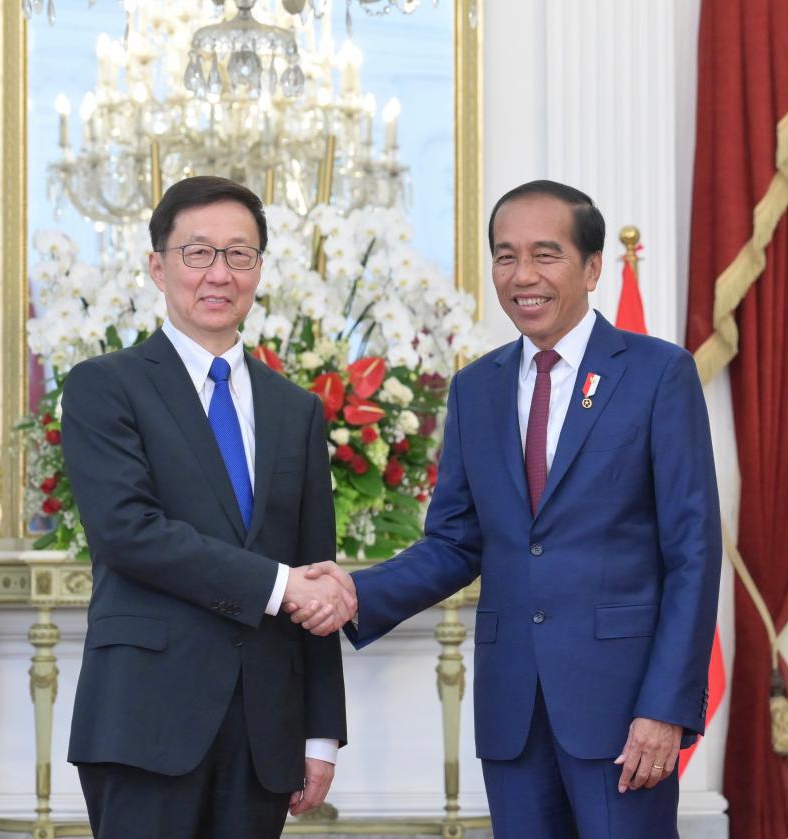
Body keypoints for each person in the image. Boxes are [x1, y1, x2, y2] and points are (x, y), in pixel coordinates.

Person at [290, 180, 721, 838]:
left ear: (591, 266)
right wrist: (354, 590)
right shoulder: (475, 387)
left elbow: (692, 551)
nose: (521, 276)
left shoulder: (657, 374)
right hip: (511, 708)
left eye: (545, 255)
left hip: (622, 709)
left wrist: (664, 705)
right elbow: (455, 542)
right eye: (504, 255)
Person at [62, 175, 353, 839]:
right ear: (157, 266)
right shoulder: (106, 388)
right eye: (198, 253)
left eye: (239, 254)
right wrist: (279, 586)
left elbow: (316, 562)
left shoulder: (296, 410)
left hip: (264, 730)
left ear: (258, 269)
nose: (219, 273)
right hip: (143, 720)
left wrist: (320, 732)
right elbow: (127, 532)